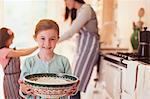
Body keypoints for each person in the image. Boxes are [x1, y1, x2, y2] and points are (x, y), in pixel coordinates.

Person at [19, 19, 73, 99]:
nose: (47, 43)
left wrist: (73, 90)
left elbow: (70, 86)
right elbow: (23, 88)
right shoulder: (29, 62)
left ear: (58, 39)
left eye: (52, 39)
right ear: (35, 38)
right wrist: (23, 90)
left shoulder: (63, 61)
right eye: (43, 38)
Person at [59, 0, 100, 99]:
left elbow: (71, 32)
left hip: (89, 47)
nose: (66, 3)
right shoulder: (79, 11)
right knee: (74, 83)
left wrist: (55, 40)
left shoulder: (86, 9)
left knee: (75, 84)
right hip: (83, 47)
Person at [0, 27, 38, 99]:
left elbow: (24, 50)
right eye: (11, 39)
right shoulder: (3, 51)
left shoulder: (10, 50)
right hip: (10, 80)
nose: (12, 41)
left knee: (21, 95)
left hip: (17, 77)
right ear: (5, 39)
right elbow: (23, 53)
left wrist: (36, 46)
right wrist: (38, 46)